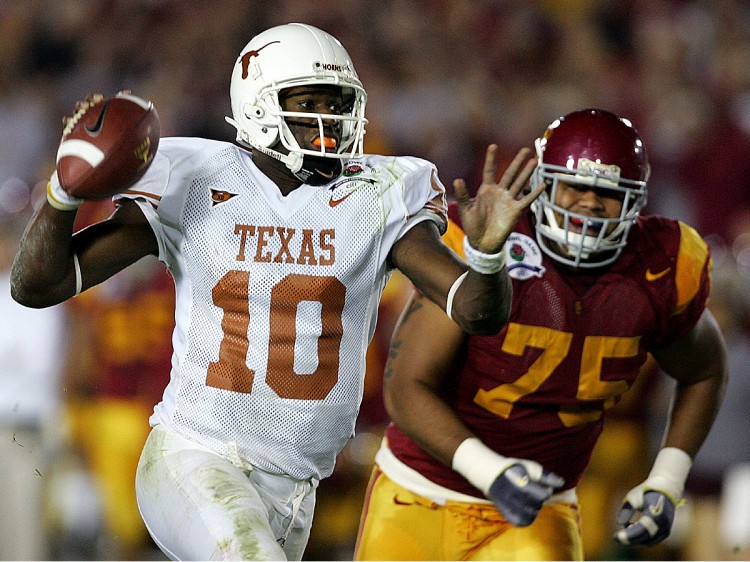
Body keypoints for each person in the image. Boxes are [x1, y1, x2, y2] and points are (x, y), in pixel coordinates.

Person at [10, 23, 542, 561]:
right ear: (257, 105)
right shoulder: (193, 177)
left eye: (337, 104)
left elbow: (477, 313)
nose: (327, 121)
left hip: (298, 482)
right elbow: (38, 286)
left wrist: (488, 255)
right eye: (307, 102)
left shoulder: (380, 193)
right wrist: (62, 193)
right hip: (197, 454)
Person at [354, 108, 728, 561]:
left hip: (539, 509)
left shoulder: (659, 266)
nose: (590, 203)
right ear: (544, 184)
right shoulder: (492, 242)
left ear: (636, 200)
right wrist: (490, 472)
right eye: (576, 186)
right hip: (419, 490)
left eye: (607, 192)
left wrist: (667, 479)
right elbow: (407, 387)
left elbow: (705, 370)